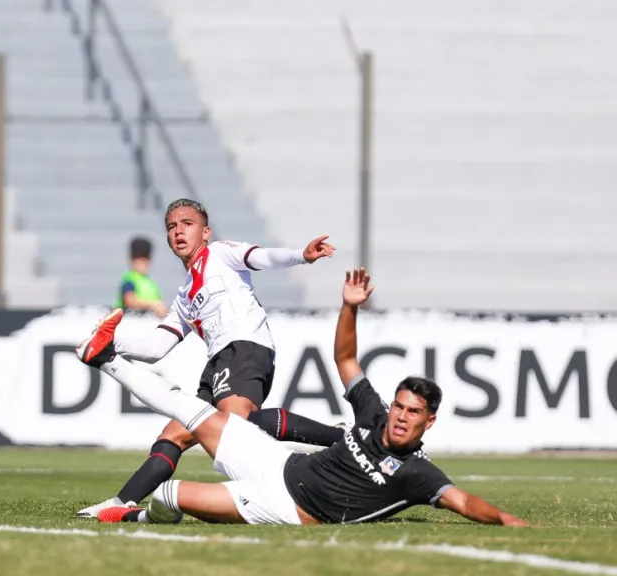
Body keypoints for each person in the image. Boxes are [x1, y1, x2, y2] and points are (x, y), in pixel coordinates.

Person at [76, 268, 530, 527]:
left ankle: (138, 518)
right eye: (399, 406)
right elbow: (346, 358)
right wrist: (349, 307)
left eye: (413, 412)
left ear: (428, 422)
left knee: (170, 496)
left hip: (284, 507)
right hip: (275, 461)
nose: (400, 416)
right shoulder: (374, 415)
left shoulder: (417, 473)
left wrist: (511, 522)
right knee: (193, 411)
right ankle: (106, 358)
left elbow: (464, 503)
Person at [75, 198, 341, 518]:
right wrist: (111, 341)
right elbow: (155, 348)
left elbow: (262, 256)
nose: (179, 231)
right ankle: (120, 504)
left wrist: (301, 255)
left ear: (206, 232)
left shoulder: (220, 253)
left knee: (236, 423)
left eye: (187, 224)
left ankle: (343, 438)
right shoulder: (185, 296)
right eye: (172, 227)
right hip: (216, 364)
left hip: (246, 347)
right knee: (174, 435)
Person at [115, 236, 167, 318]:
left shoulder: (151, 283)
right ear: (132, 260)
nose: (141, 263)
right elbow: (129, 300)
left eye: (145, 259)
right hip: (129, 321)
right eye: (138, 259)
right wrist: (153, 305)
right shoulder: (129, 279)